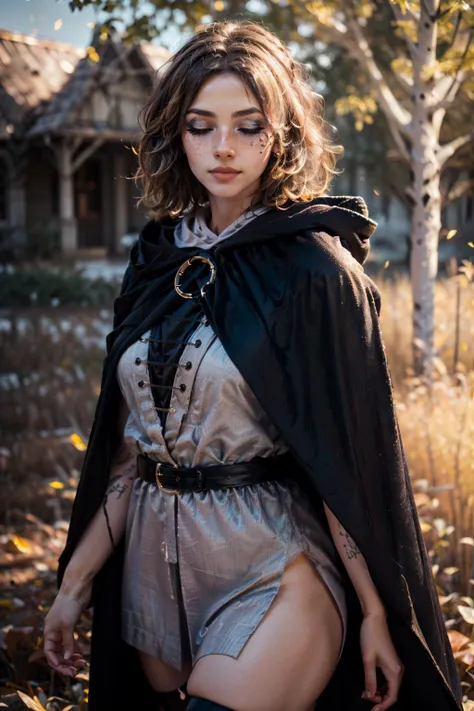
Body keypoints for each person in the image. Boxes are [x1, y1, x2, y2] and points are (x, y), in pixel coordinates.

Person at [43, 20, 462, 711]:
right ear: (176, 134)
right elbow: (132, 455)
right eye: (202, 126)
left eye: (248, 125)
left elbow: (343, 462)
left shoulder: (313, 270)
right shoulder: (156, 259)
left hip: (270, 568)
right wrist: (75, 583)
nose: (224, 148)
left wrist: (378, 613)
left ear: (281, 133)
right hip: (152, 577)